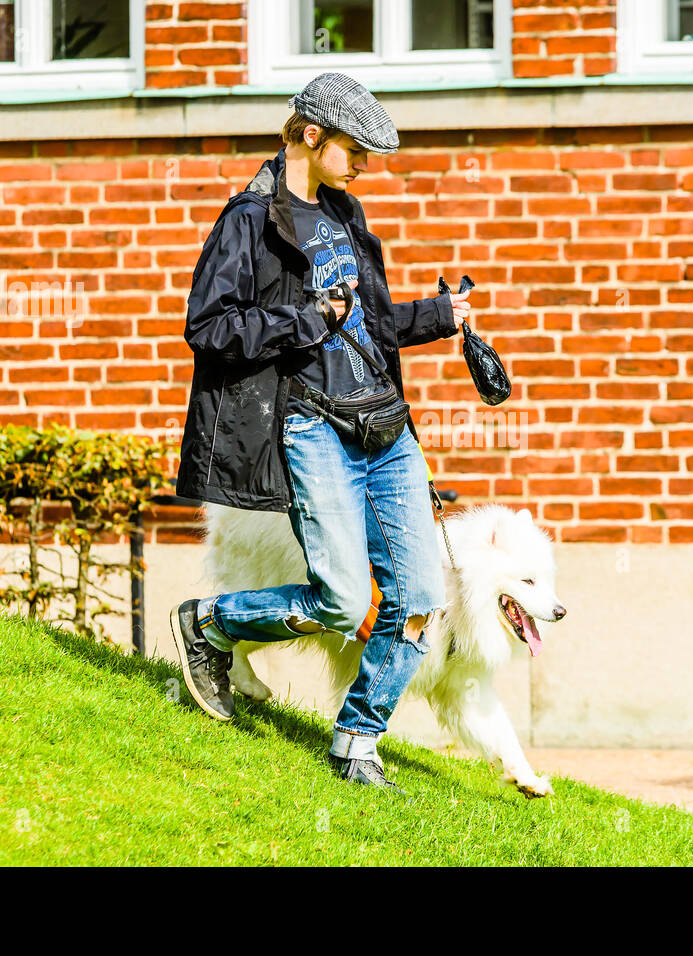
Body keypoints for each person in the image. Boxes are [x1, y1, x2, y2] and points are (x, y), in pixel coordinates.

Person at [169, 72, 473, 793]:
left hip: (386, 429)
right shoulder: (248, 219)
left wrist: (440, 316)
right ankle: (212, 622)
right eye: (356, 150)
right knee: (339, 600)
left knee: (419, 598)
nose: (364, 166)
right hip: (313, 429)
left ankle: (357, 743)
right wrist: (306, 320)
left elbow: (367, 323)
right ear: (312, 134)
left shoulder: (345, 213)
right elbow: (208, 328)